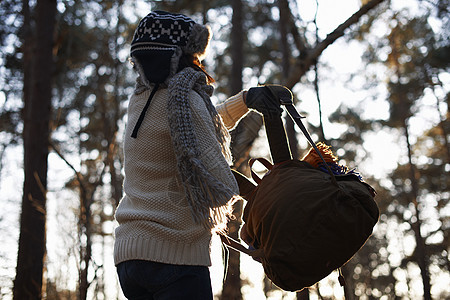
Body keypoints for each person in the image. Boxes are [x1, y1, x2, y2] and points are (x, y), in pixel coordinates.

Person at [114, 10, 289, 300]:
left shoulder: (140, 100)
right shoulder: (189, 102)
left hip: (130, 258)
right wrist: (273, 197)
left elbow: (194, 129)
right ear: (186, 55)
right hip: (175, 258)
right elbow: (218, 187)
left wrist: (244, 101)